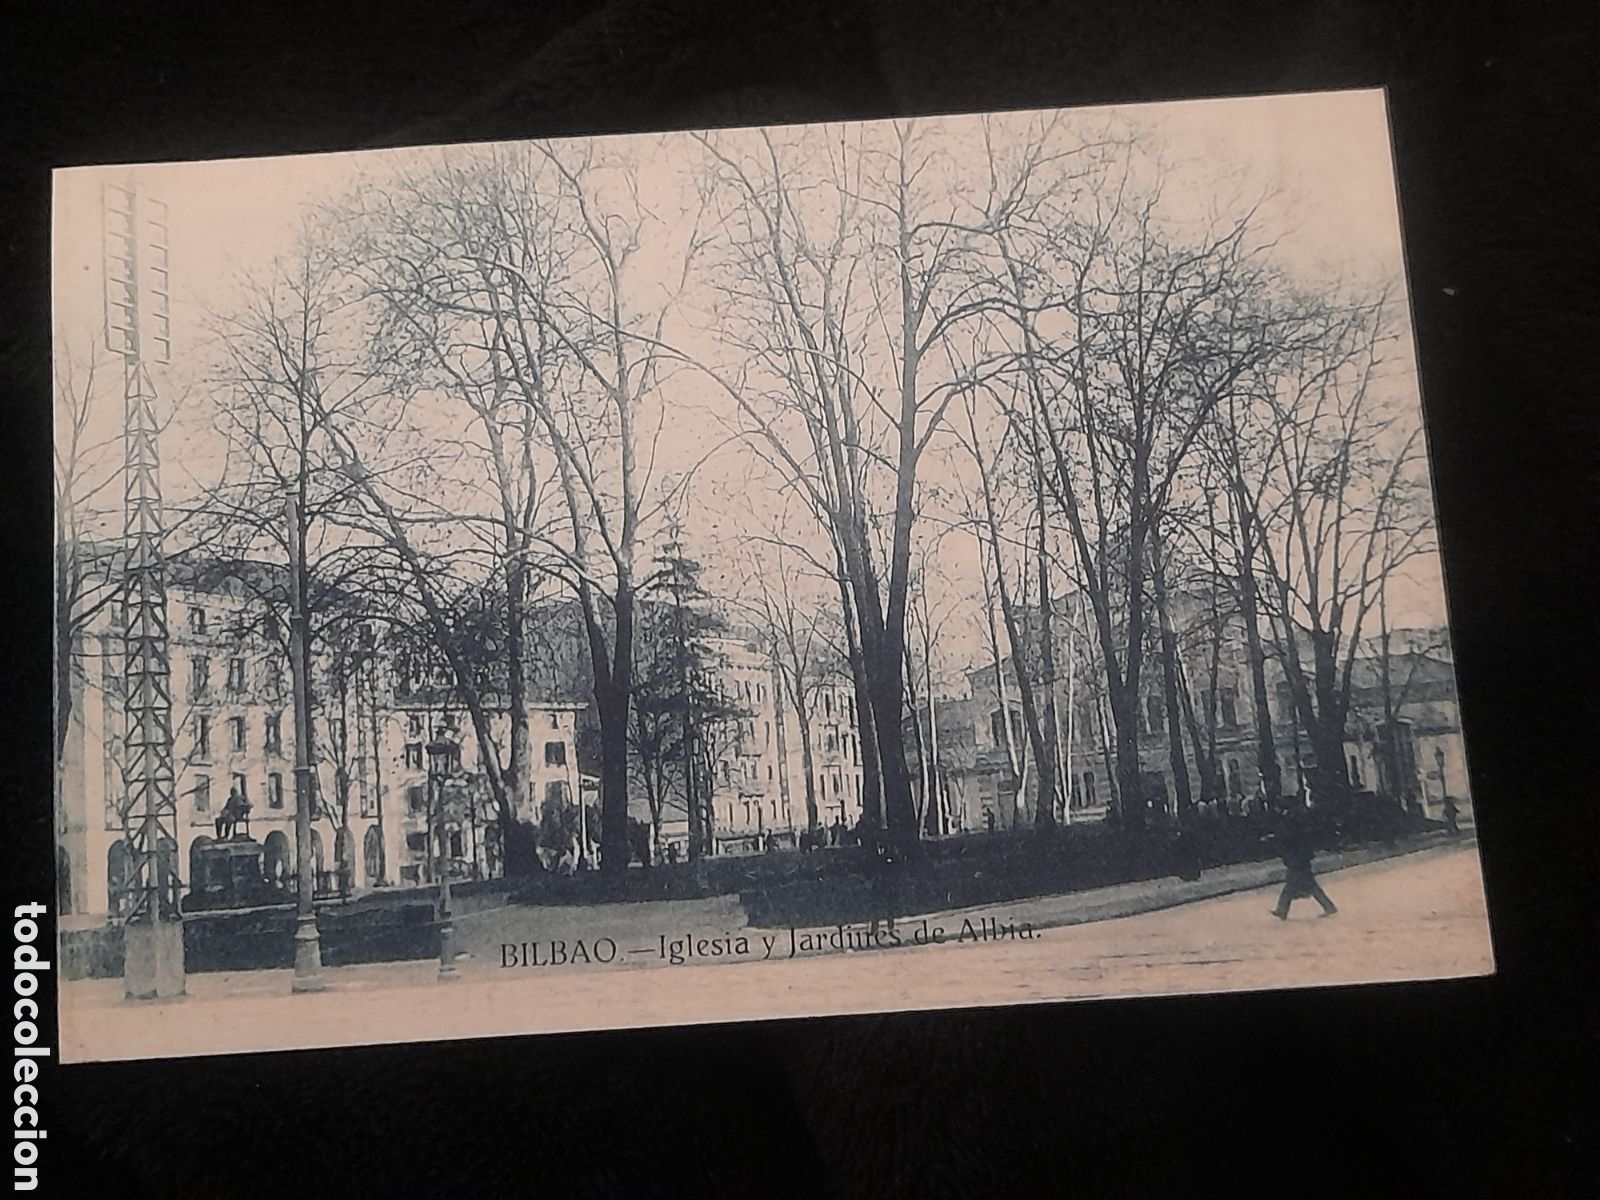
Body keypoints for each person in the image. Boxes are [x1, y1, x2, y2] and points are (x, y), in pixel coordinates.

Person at [1271, 805, 1337, 919]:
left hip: (1296, 858)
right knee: (1308, 886)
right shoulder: (1299, 820)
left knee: (1293, 886)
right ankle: (1328, 906)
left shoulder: (1291, 821)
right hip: (1301, 857)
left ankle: (1282, 910)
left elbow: (1288, 838)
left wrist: (1276, 838)